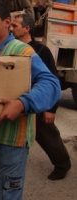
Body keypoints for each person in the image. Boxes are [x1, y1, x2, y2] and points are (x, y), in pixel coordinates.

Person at [0, 1, 61, 200]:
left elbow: (51, 84)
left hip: (9, 143)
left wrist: (22, 103)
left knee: (2, 195)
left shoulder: (22, 51)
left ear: (7, 22)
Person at [10, 13, 71, 180]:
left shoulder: (41, 51)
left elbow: (53, 81)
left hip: (37, 103)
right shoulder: (11, 48)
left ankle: (62, 165)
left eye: (15, 26)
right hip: (18, 102)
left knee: (48, 137)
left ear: (27, 28)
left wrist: (51, 109)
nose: (11, 28)